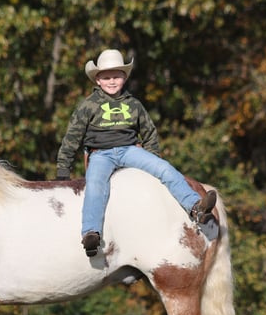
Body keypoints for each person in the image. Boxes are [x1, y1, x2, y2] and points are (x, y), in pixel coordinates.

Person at [56, 49, 217, 257]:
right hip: (101, 154)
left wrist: (153, 159)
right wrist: (63, 169)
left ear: (124, 77)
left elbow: (149, 132)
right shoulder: (88, 105)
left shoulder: (133, 104)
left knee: (164, 168)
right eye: (106, 77)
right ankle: (91, 233)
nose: (112, 81)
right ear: (98, 80)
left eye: (116, 76)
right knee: (95, 185)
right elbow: (72, 137)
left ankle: (195, 207)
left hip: (129, 150)